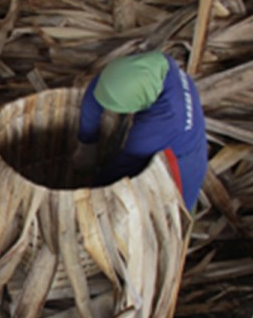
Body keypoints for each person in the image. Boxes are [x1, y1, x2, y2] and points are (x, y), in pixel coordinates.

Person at [74, 50, 208, 210]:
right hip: (181, 128)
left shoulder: (157, 126)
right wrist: (86, 142)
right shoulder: (155, 66)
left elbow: (120, 170)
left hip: (182, 165)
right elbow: (95, 93)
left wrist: (91, 191)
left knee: (170, 211)